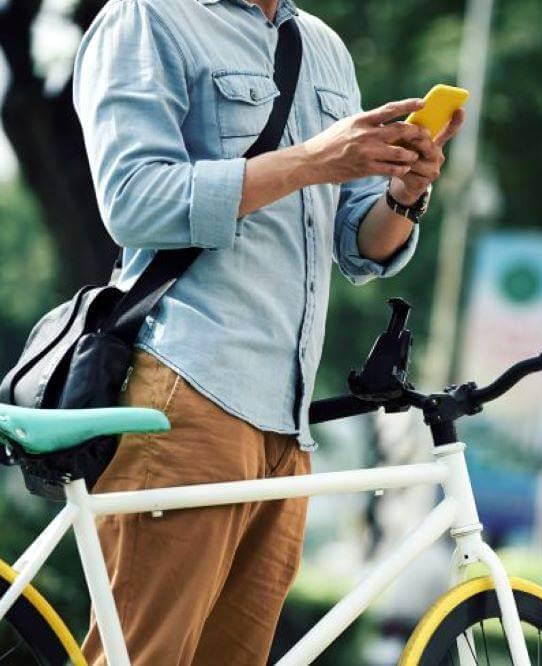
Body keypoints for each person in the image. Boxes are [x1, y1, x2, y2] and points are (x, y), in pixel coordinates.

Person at [71, 0, 463, 662]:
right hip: (186, 393)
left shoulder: (325, 47)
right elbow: (134, 202)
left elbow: (359, 243)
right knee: (143, 654)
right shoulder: (148, 17)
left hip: (286, 427)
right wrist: (310, 160)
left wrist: (404, 194)